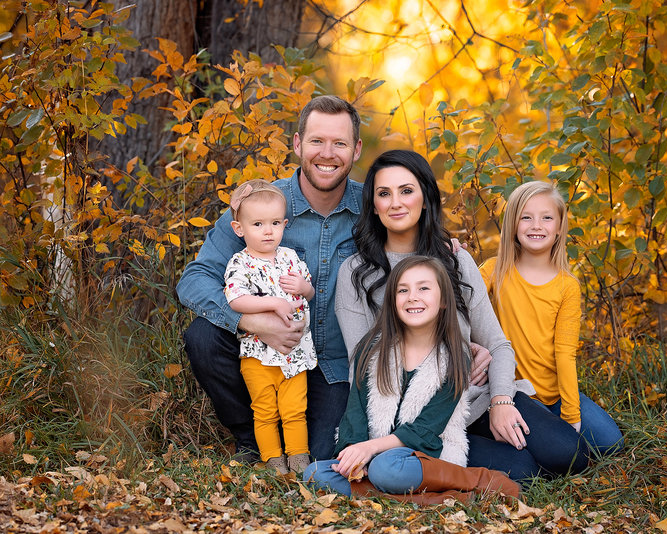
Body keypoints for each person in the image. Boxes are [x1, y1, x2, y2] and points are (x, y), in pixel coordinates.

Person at [335, 149, 589, 481]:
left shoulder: (455, 261)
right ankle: (434, 452)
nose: (395, 202)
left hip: (475, 397)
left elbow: (497, 344)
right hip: (414, 410)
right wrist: (454, 358)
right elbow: (363, 364)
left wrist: (500, 400)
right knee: (524, 471)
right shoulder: (357, 272)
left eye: (406, 191)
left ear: (425, 199)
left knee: (569, 454)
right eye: (384, 194)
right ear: (374, 206)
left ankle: (485, 434)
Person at [176, 95, 366, 462]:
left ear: (356, 150)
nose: (327, 153)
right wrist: (251, 321)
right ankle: (250, 437)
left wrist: (443, 244)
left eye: (339, 143)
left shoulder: (371, 208)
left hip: (333, 366)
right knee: (202, 336)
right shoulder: (261, 205)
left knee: (324, 458)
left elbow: (415, 246)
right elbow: (194, 279)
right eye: (316, 141)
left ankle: (294, 439)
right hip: (260, 356)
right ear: (297, 144)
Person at [305, 256, 519, 502]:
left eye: (424, 288)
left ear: (444, 301)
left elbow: (426, 430)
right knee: (315, 474)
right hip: (377, 456)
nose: (412, 297)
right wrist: (353, 453)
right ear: (392, 300)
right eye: (403, 290)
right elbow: (356, 413)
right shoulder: (373, 349)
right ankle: (440, 499)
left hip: (425, 456)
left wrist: (371, 449)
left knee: (387, 468)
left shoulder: (454, 356)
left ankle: (476, 480)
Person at [480, 180, 623, 455]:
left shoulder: (567, 286)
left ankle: (552, 430)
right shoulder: (494, 271)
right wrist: (453, 259)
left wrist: (571, 414)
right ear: (512, 225)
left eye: (547, 218)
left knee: (610, 443)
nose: (536, 225)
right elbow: (459, 295)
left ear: (559, 229)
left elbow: (565, 354)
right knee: (555, 451)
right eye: (526, 217)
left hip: (554, 393)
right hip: (512, 393)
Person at [223, 180, 316, 473]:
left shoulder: (290, 258)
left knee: (295, 411)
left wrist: (304, 287)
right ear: (240, 229)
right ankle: (274, 460)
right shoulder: (241, 262)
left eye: (275, 223)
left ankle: (299, 459)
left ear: (285, 224)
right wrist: (273, 303)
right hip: (258, 354)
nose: (268, 231)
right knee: (264, 411)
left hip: (294, 354)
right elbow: (235, 299)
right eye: (258, 224)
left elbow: (310, 292)